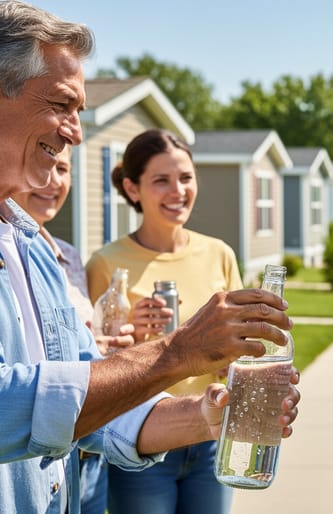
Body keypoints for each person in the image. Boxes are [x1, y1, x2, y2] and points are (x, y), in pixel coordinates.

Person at [0, 3, 299, 513]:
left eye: (80, 112)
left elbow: (93, 402)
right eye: (61, 104)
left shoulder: (35, 250)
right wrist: (177, 352)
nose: (73, 131)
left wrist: (208, 417)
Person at [84, 128, 244, 514]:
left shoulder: (219, 253)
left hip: (211, 434)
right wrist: (134, 336)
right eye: (161, 180)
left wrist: (230, 359)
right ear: (132, 188)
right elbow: (90, 366)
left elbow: (240, 343)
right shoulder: (106, 264)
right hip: (140, 436)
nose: (178, 191)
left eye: (186, 178)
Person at [11, 145, 131, 513]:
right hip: (27, 461)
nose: (54, 180)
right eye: (46, 164)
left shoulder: (68, 256)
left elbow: (84, 342)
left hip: (88, 452)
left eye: (64, 169)